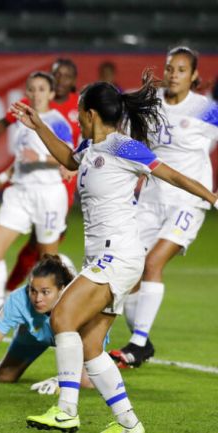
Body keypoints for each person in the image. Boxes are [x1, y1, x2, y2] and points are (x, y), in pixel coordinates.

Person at [12, 73, 218, 433]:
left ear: (91, 114)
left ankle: (65, 411)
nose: (76, 118)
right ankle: (129, 424)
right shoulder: (90, 149)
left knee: (62, 318)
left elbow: (174, 175)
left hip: (118, 254)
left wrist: (212, 196)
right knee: (91, 346)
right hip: (104, 258)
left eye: (79, 112)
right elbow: (69, 160)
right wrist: (39, 125)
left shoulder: (123, 147)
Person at [111, 47, 218, 368]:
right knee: (130, 271)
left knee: (153, 262)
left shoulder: (205, 109)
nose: (173, 74)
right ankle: (142, 340)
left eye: (182, 69)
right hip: (150, 201)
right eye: (170, 68)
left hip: (188, 202)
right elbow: (127, 141)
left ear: (194, 76)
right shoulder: (150, 101)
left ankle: (137, 344)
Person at [0, 58, 80, 325]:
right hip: (20, 193)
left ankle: (67, 296)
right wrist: (2, 177)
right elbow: (23, 158)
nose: (35, 93)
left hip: (48, 195)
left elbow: (68, 159)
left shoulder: (57, 122)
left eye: (42, 89)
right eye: (31, 88)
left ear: (52, 94)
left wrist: (41, 160)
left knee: (48, 260)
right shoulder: (21, 120)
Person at [0, 255, 92, 395]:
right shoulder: (18, 299)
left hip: (76, 341)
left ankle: (110, 359)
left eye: (45, 292)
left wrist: (61, 380)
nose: (37, 298)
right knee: (4, 376)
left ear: (61, 289)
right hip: (34, 334)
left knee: (87, 381)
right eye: (33, 291)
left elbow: (89, 346)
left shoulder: (78, 303)